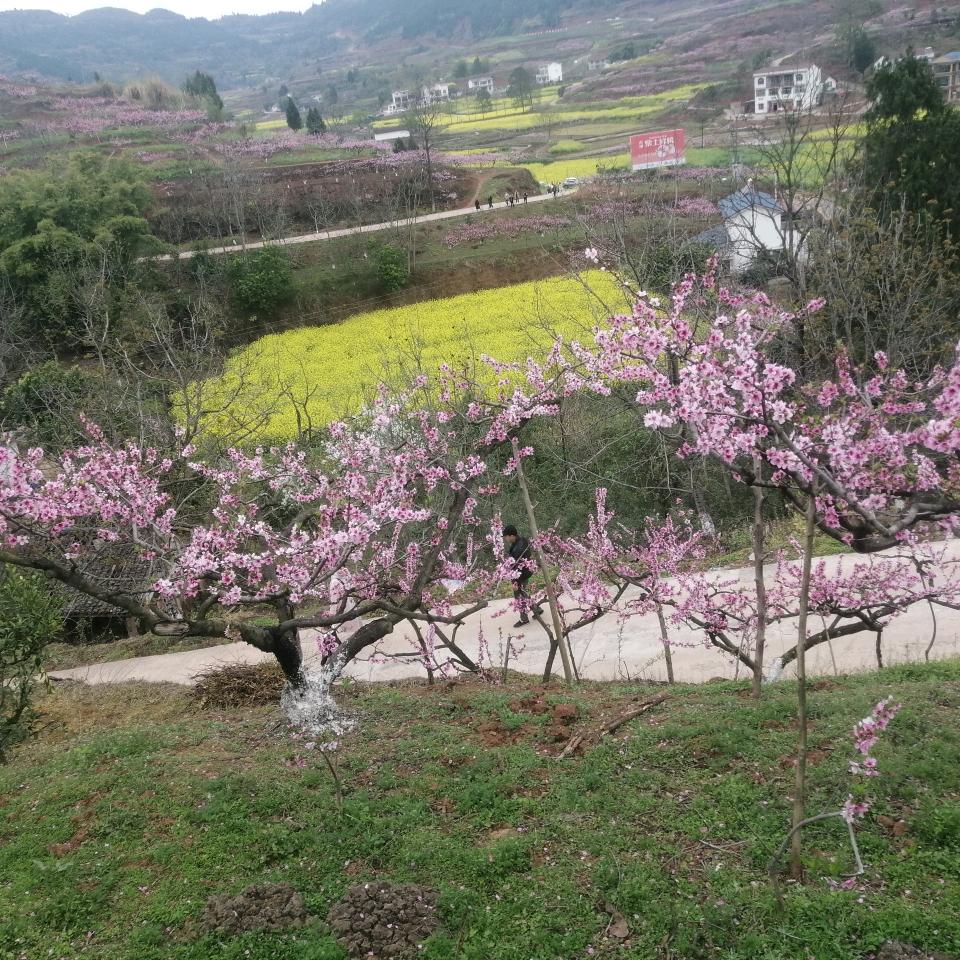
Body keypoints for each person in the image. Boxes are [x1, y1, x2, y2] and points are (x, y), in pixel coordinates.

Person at [503, 524, 540, 627]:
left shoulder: (518, 548)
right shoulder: (521, 540)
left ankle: (524, 619)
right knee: (523, 594)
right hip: (523, 573)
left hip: (520, 575)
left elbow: (517, 566)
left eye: (506, 536)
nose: (505, 539)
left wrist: (515, 582)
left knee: (519, 596)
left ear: (511, 535)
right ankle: (537, 609)